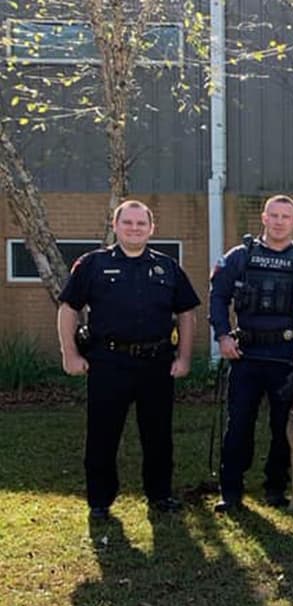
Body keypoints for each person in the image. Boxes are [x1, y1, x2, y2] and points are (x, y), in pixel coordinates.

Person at [56, 200, 200, 520]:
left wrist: (185, 357)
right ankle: (100, 502)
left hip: (156, 363)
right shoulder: (92, 264)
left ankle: (160, 495)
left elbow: (187, 313)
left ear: (152, 228)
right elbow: (68, 309)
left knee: (158, 435)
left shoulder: (168, 267)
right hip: (108, 362)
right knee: (103, 435)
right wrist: (70, 353)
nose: (134, 229)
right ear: (115, 225)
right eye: (128, 223)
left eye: (141, 223)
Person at [209, 195, 293, 512]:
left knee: (283, 427)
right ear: (263, 218)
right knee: (238, 425)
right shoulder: (240, 257)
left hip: (286, 358)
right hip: (245, 354)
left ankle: (275, 488)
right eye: (273, 215)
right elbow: (218, 296)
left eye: (285, 216)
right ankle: (231, 492)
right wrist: (222, 335)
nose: (279, 221)